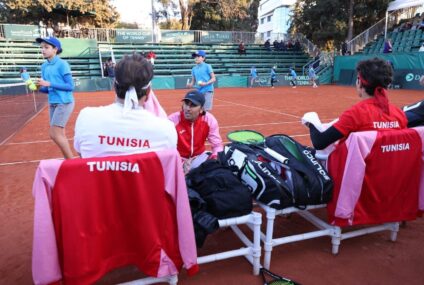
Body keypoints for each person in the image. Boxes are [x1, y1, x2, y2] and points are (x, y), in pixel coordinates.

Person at [74, 53, 177, 158]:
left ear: (114, 85)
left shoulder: (86, 117)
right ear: (149, 91)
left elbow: (82, 154)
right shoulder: (166, 129)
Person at [303, 57, 407, 150]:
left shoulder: (356, 114)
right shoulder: (399, 114)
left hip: (359, 170)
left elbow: (320, 143)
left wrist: (311, 121)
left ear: (360, 82)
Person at [36, 37, 75, 159]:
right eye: (42, 47)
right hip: (52, 102)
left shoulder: (62, 64)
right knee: (59, 134)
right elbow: (47, 89)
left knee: (54, 133)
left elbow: (70, 86)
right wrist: (38, 87)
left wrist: (49, 84)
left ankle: (71, 161)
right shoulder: (44, 66)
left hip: (64, 102)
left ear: (55, 49)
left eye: (46, 47)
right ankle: (69, 160)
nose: (43, 50)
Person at [168, 90, 223, 174]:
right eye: (186, 103)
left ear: (201, 109)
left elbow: (217, 145)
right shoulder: (172, 120)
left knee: (219, 169)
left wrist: (215, 158)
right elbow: (165, 148)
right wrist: (181, 163)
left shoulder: (209, 120)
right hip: (178, 158)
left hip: (199, 157)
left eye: (193, 105)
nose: (187, 108)